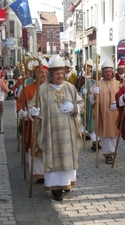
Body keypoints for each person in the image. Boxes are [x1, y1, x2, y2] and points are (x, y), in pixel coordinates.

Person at [28, 55, 84, 201]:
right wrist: (33, 112)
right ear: (51, 75)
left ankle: (65, 184)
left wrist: (74, 107)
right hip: (50, 132)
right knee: (53, 157)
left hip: (68, 132)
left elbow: (81, 104)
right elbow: (32, 106)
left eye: (61, 73)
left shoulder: (70, 88)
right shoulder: (43, 90)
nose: (59, 76)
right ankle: (55, 188)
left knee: (67, 158)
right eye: (56, 74)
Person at [17, 57, 49, 183]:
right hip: (33, 124)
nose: (40, 74)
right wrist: (22, 112)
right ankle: (39, 174)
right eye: (37, 72)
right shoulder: (28, 89)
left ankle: (49, 172)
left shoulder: (51, 87)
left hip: (48, 123)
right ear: (34, 73)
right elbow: (20, 104)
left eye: (42, 71)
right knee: (36, 147)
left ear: (46, 72)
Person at [89, 59, 120, 164]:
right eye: (106, 71)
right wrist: (94, 95)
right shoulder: (97, 85)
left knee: (114, 134)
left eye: (110, 71)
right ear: (102, 73)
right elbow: (91, 101)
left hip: (115, 113)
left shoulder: (118, 84)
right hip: (103, 114)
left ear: (112, 72)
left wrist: (118, 103)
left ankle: (113, 151)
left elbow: (122, 98)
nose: (108, 73)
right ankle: (108, 154)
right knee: (106, 134)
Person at [80, 63, 101, 150]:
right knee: (92, 124)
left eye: (100, 74)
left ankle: (97, 141)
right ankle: (94, 142)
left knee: (99, 124)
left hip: (101, 107)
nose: (98, 76)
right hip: (90, 107)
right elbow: (81, 94)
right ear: (93, 74)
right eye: (97, 74)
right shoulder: (88, 83)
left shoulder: (102, 83)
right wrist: (83, 93)